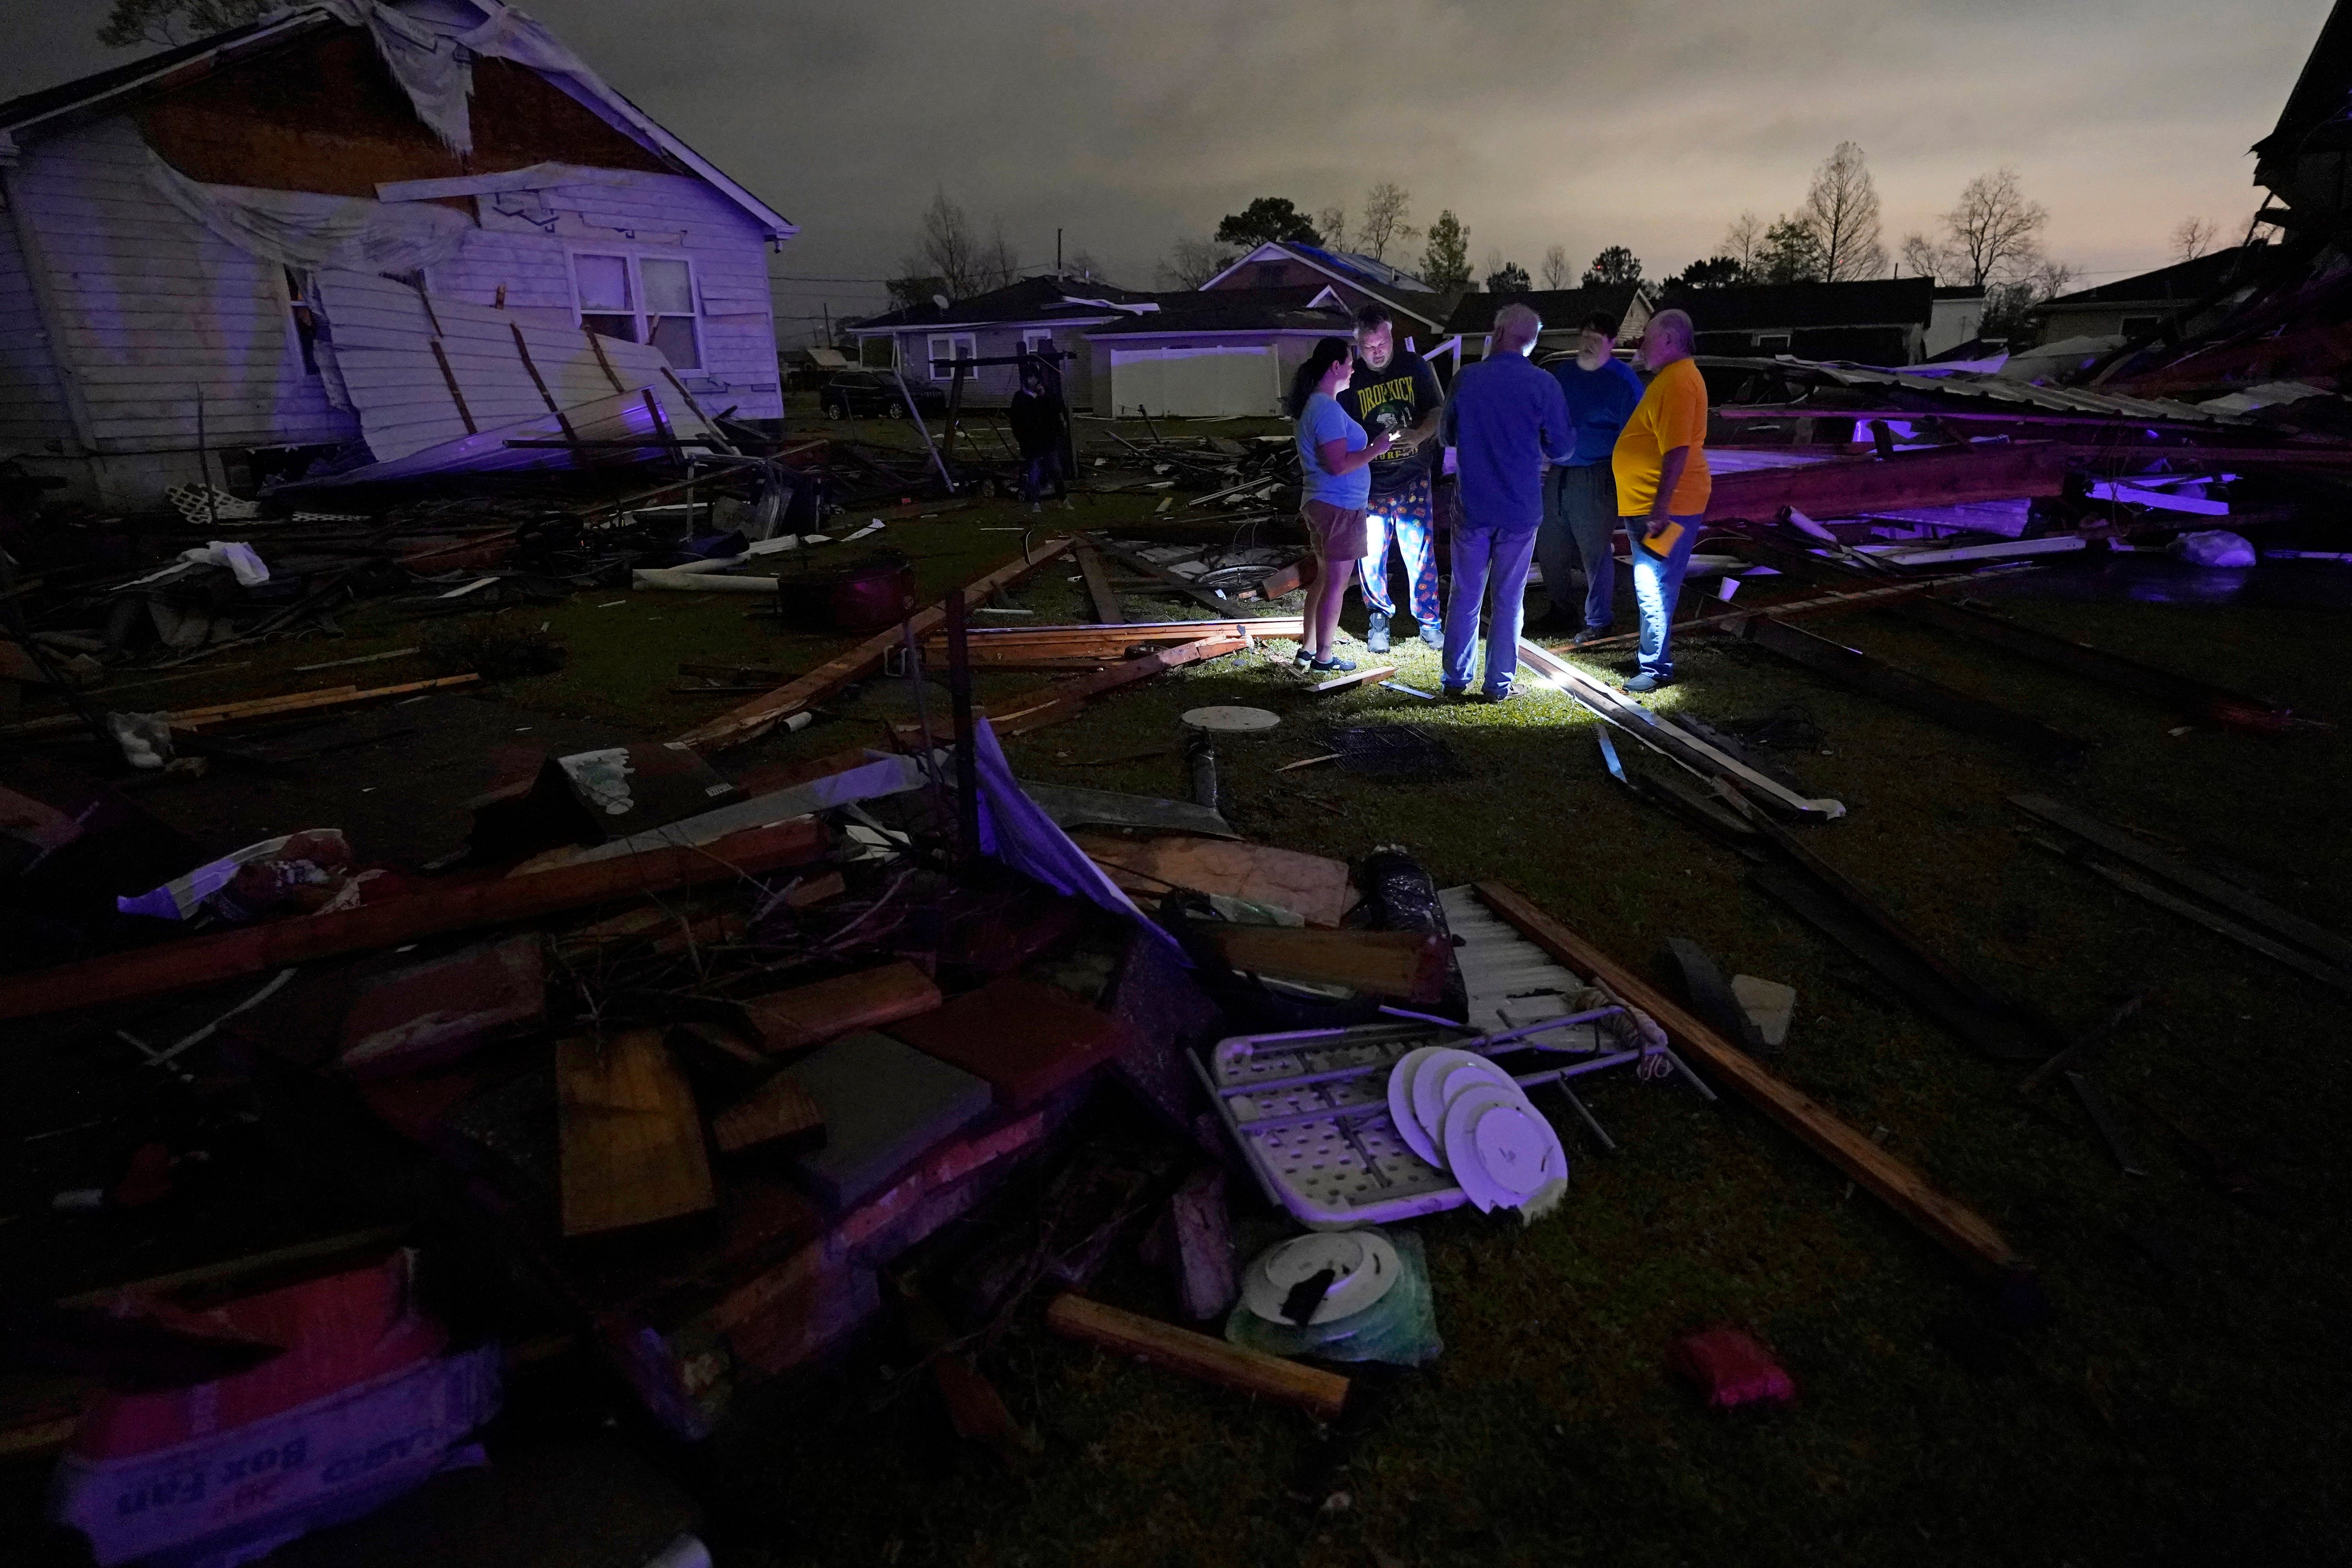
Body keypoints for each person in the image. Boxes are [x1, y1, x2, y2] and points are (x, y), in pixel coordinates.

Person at [1437, 303, 1576, 699]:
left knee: (1465, 594)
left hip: (1473, 506)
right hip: (1520, 509)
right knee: (1509, 599)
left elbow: (1447, 436)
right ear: (1529, 341)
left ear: (1497, 333)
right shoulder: (1543, 384)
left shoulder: (1467, 379)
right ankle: (1498, 684)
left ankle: (1455, 679)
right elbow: (1564, 448)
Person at [1612, 308, 1711, 692]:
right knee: (1650, 581)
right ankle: (1653, 659)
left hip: (1668, 509)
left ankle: (1655, 667)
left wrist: (1660, 506)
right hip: (1654, 505)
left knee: (1654, 583)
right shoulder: (1673, 379)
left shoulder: (1678, 383)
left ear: (1669, 340)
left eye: (1649, 337)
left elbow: (1677, 451)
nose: (1641, 345)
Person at [1534, 311, 1645, 643]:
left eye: (1596, 340)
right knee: (1550, 544)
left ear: (1611, 344)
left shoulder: (1623, 382)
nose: (1587, 345)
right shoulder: (1563, 376)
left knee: (1594, 551)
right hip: (1559, 471)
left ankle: (1598, 619)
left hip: (1598, 474)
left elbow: (1636, 436)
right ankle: (1560, 609)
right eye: (1584, 337)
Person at [1341, 304, 1445, 653]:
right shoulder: (1351, 380)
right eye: (1369, 346)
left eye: (1382, 342)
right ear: (1357, 345)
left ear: (1390, 336)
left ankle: (1430, 622)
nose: (1377, 351)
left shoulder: (1414, 367)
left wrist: (1420, 435)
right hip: (1369, 483)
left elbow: (1437, 410)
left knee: (1420, 553)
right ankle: (1379, 619)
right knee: (1370, 554)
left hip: (1413, 478)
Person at [1290, 336, 1393, 673]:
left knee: (1324, 579)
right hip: (1338, 508)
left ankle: (1308, 651)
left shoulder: (1316, 406)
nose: (1353, 370)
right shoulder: (1326, 409)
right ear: (1335, 366)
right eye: (1350, 363)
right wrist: (1376, 450)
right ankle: (1324, 658)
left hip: (1323, 504)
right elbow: (1337, 464)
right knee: (1337, 582)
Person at [1007, 358, 1069, 512]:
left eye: (1034, 377)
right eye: (1029, 377)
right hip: (1031, 443)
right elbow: (1016, 422)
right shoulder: (1021, 399)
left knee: (1056, 470)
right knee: (1034, 473)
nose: (1032, 381)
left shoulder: (1045, 396)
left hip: (1048, 441)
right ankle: (1036, 502)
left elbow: (1056, 411)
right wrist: (1022, 439)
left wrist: (1044, 396)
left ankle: (1063, 499)